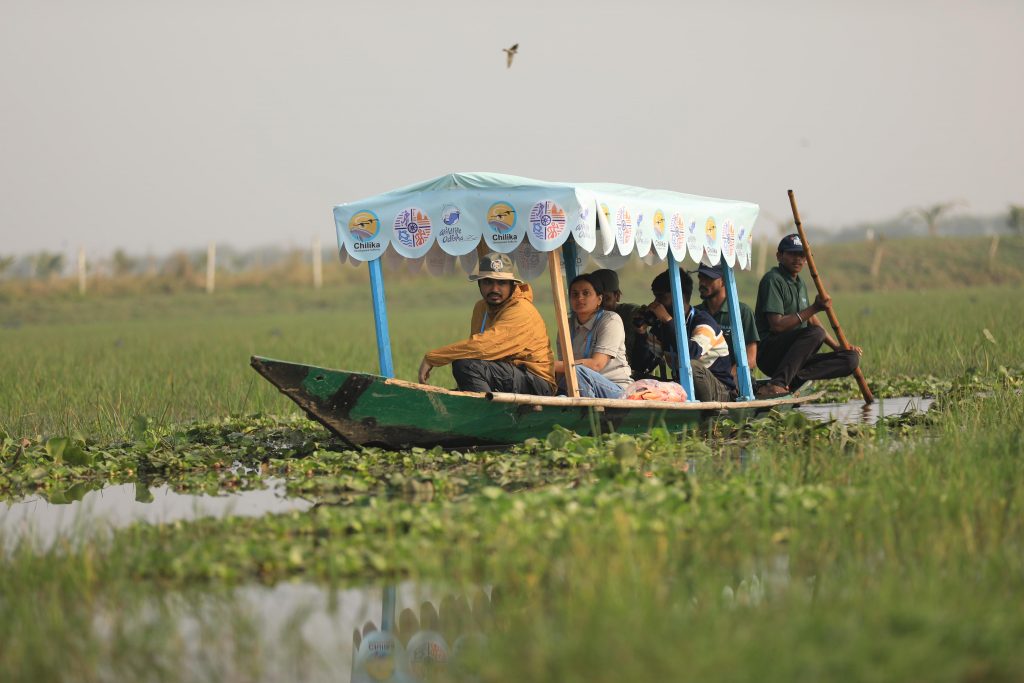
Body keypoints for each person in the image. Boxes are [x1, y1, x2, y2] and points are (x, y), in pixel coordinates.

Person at [419, 252, 555, 395]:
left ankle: (486, 412)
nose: (494, 289)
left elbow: (484, 346)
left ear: (512, 286)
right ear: (479, 284)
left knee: (465, 366)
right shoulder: (481, 308)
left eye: (501, 283)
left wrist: (433, 358)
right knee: (466, 364)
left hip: (535, 382)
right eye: (488, 282)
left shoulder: (521, 310)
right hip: (507, 373)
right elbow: (476, 354)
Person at [753, 233, 862, 399]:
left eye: (802, 255)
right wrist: (815, 307)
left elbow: (810, 319)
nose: (798, 259)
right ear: (779, 256)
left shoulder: (800, 283)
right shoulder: (772, 280)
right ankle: (777, 384)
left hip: (794, 360)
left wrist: (837, 347)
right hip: (770, 354)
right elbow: (777, 325)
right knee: (816, 333)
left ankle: (792, 381)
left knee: (850, 360)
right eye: (792, 254)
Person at [642, 268, 737, 402]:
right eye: (655, 297)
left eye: (661, 297)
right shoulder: (662, 326)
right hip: (682, 387)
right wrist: (641, 333)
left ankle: (706, 415)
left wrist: (668, 321)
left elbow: (691, 353)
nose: (657, 303)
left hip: (720, 391)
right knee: (638, 377)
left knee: (691, 365)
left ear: (679, 296)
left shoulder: (703, 322)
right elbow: (644, 363)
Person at [553, 273, 632, 398]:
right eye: (575, 294)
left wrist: (551, 365)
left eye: (586, 293)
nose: (580, 298)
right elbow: (563, 369)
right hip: (578, 385)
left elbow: (596, 364)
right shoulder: (565, 325)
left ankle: (587, 414)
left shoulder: (611, 320)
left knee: (576, 371)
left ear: (599, 299)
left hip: (616, 389)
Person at [694, 264, 759, 380]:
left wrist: (726, 377)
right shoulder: (696, 313)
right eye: (700, 277)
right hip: (701, 378)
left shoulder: (742, 312)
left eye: (709, 278)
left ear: (724, 280)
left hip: (734, 380)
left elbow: (751, 359)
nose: (702, 283)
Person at [590, 268, 658, 379]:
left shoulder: (632, 314)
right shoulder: (586, 319)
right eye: (596, 299)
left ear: (617, 296)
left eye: (606, 299)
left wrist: (641, 334)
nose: (600, 305)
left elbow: (642, 362)